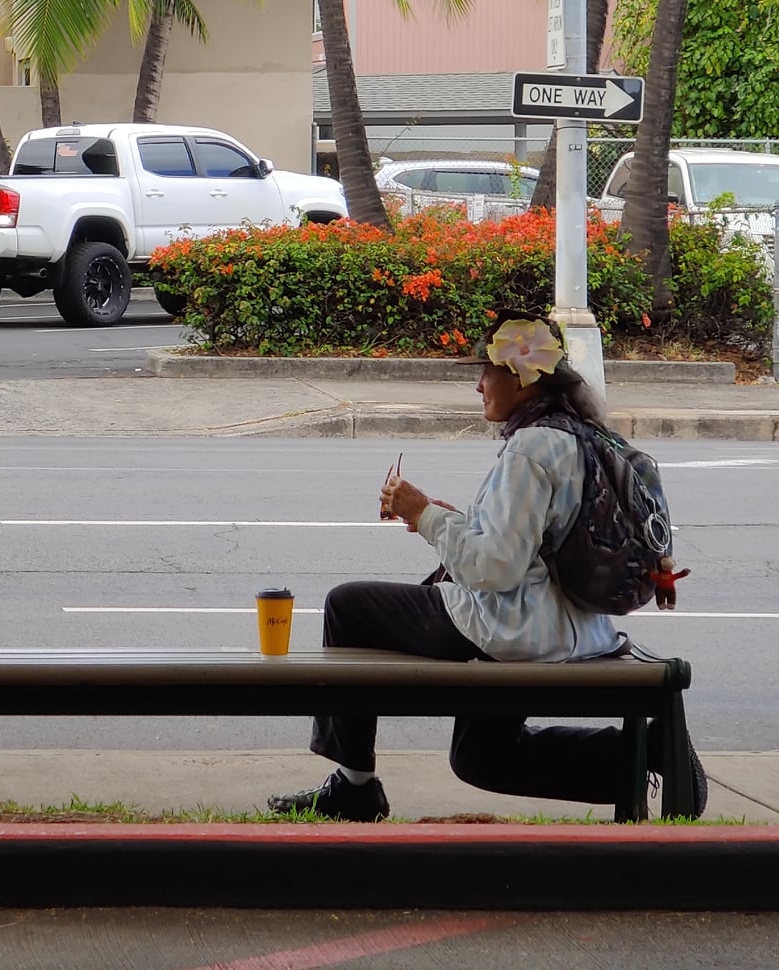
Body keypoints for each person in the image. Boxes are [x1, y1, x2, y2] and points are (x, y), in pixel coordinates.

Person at [267, 315, 705, 821]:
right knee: (482, 759)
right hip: (582, 629)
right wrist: (452, 520)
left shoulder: (531, 448)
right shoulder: (586, 435)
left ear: (520, 377)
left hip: (513, 626)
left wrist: (422, 513)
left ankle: (353, 787)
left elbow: (495, 568)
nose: (478, 385)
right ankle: (645, 754)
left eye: (486, 372)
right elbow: (529, 541)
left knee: (348, 606)